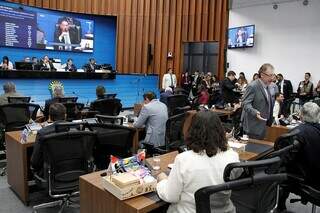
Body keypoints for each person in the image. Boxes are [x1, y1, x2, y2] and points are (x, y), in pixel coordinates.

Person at [156, 111, 239, 213]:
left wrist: (162, 180)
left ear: (192, 131)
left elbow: (170, 197)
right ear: (221, 131)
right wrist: (222, 142)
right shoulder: (233, 156)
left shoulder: (184, 159)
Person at [277, 102, 320, 211]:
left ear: (301, 115)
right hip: (317, 176)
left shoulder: (296, 133)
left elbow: (284, 158)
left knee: (278, 170)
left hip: (307, 178)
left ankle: (279, 206)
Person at [30, 103, 67, 176]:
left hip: (50, 173)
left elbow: (35, 161)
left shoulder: (42, 133)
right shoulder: (76, 129)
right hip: (73, 170)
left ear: (50, 117)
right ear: (65, 116)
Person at [241, 63, 275, 139]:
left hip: (264, 125)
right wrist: (254, 112)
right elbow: (245, 103)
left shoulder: (268, 86)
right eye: (270, 75)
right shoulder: (253, 86)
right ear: (262, 75)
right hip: (253, 127)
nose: (272, 78)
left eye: (273, 75)